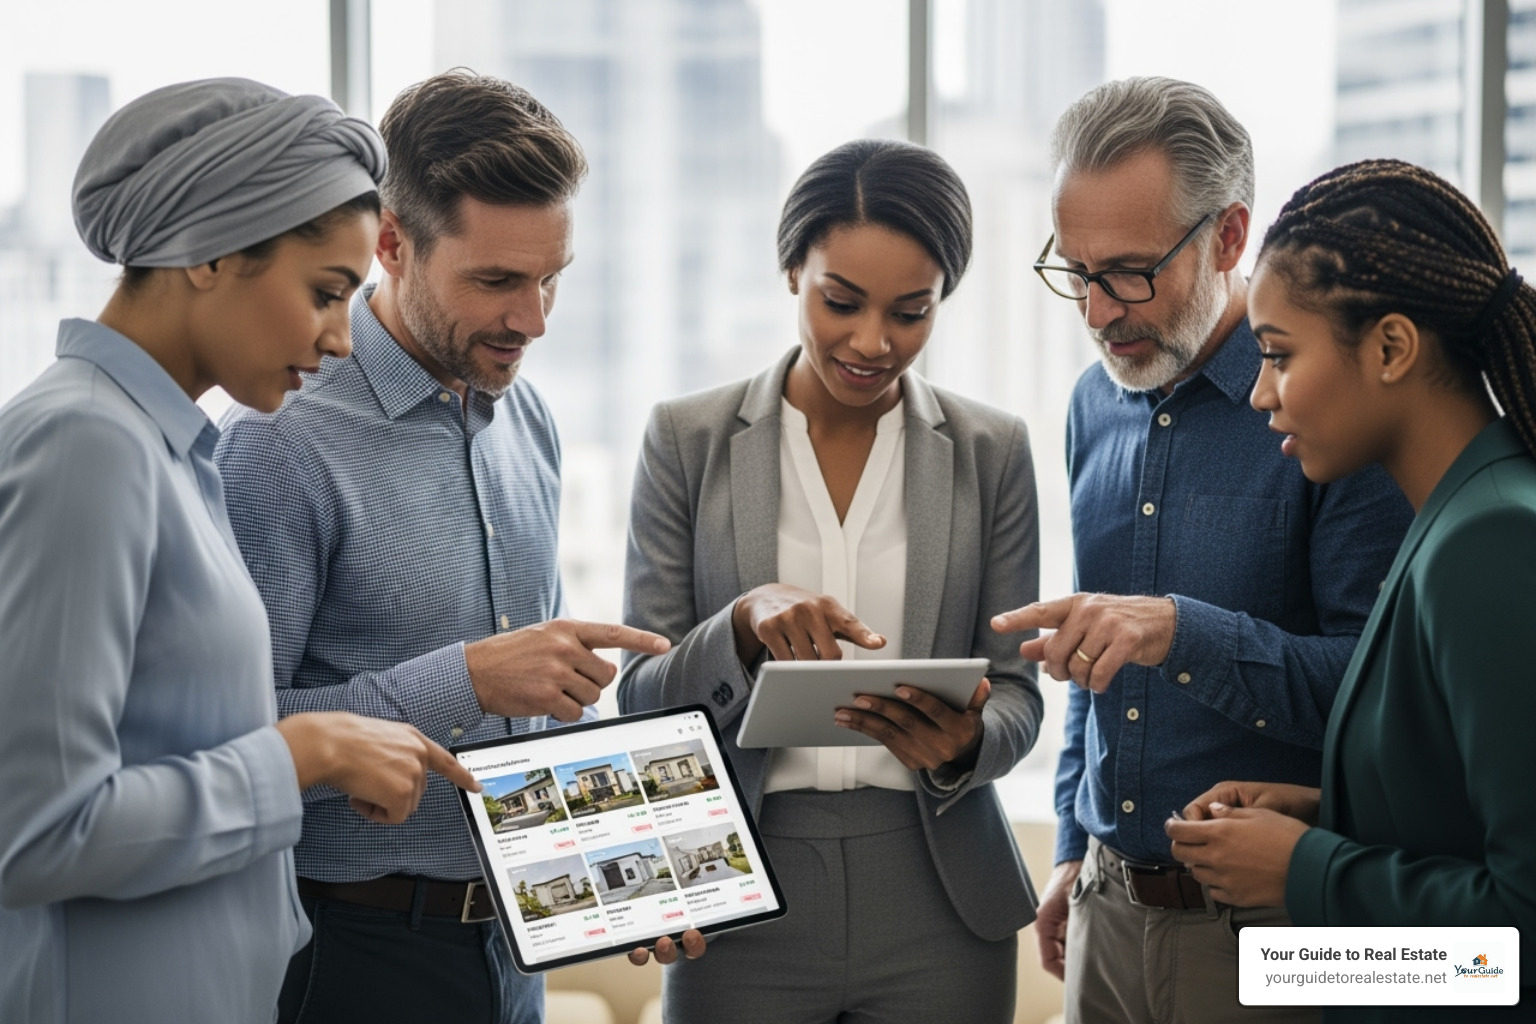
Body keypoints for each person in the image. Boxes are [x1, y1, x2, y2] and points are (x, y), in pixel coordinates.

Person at [212, 71, 698, 1024]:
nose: (535, 319)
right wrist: (464, 678)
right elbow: (230, 745)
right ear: (391, 242)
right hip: (346, 955)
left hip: (512, 954)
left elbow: (535, 713)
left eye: (553, 276)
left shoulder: (530, 419)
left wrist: (619, 871)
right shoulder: (279, 437)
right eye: (497, 281)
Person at [0, 78, 480, 1024]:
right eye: (325, 293)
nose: (343, 339)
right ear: (212, 254)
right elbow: (37, 833)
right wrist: (303, 750)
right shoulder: (83, 446)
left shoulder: (167, 450)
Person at [989, 78, 1415, 1024]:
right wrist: (1068, 845)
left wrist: (1182, 632)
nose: (1099, 313)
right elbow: (1088, 658)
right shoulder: (1090, 403)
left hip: (1274, 934)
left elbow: (1380, 695)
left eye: (1130, 272)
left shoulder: (1329, 414)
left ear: (1229, 239)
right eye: (1076, 271)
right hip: (1103, 914)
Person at [617, 138, 1043, 1023]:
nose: (873, 342)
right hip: (740, 883)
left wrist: (966, 745)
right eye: (840, 302)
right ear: (790, 271)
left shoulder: (991, 451)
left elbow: (1016, 693)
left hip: (938, 889)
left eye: (912, 312)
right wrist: (739, 624)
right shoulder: (685, 440)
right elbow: (640, 698)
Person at [1166, 158, 1536, 1023]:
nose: (1260, 393)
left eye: (1279, 355)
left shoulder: (1490, 539)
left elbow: (1518, 940)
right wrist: (1335, 812)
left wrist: (1304, 871)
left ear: (1392, 348)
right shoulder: (1453, 518)